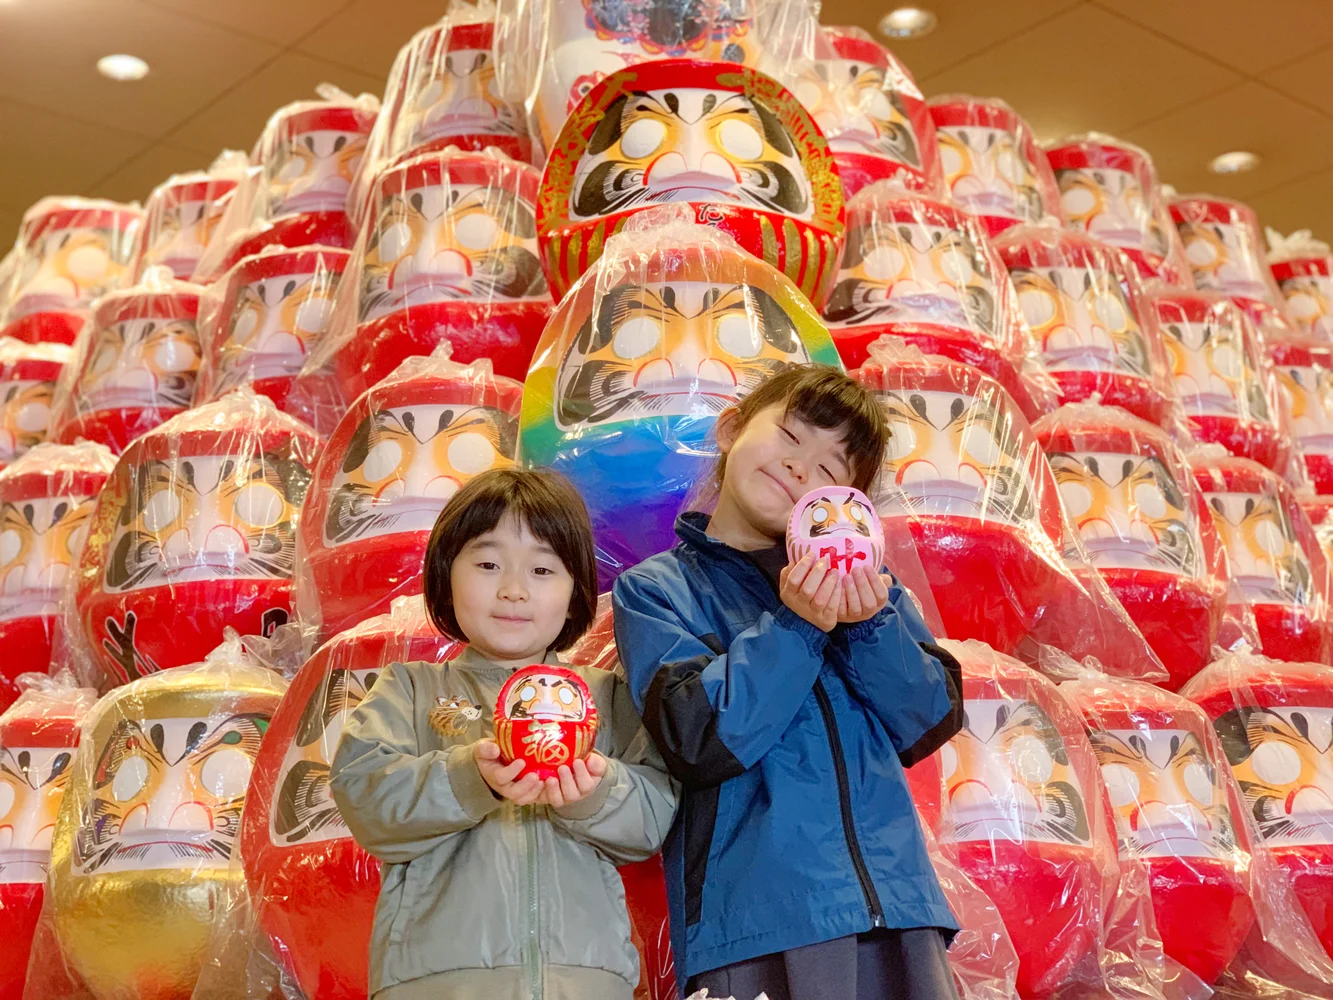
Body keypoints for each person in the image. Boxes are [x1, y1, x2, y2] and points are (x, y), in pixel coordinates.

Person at [612, 364, 966, 1000]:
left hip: (901, 912)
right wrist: (797, 623)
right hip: (756, 923)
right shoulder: (657, 590)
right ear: (731, 429)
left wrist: (868, 625)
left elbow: (928, 721)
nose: (804, 469)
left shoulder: (873, 592)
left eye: (834, 470)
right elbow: (698, 736)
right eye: (791, 436)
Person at [330, 467, 678, 1000]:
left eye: (543, 569)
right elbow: (364, 795)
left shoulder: (605, 697)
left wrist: (595, 790)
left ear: (575, 592)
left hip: (585, 981)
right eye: (489, 564)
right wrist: (471, 777)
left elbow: (654, 817)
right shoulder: (411, 688)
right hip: (436, 983)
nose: (514, 590)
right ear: (447, 573)